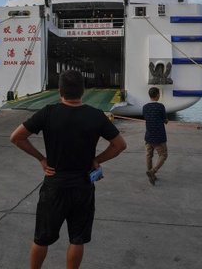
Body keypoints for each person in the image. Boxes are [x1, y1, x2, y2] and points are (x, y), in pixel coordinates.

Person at [10, 70, 127, 269]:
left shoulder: (48, 112)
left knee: (41, 238)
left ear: (59, 91)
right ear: (83, 91)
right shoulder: (96, 116)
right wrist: (97, 160)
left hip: (55, 184)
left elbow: (16, 137)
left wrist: (42, 159)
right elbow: (120, 145)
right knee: (77, 239)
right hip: (83, 185)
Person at [143, 87, 168, 185]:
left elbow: (146, 117)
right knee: (163, 155)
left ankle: (152, 175)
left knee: (149, 156)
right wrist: (166, 121)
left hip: (148, 136)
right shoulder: (160, 107)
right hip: (159, 137)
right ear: (157, 95)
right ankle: (152, 172)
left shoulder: (145, 107)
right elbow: (165, 120)